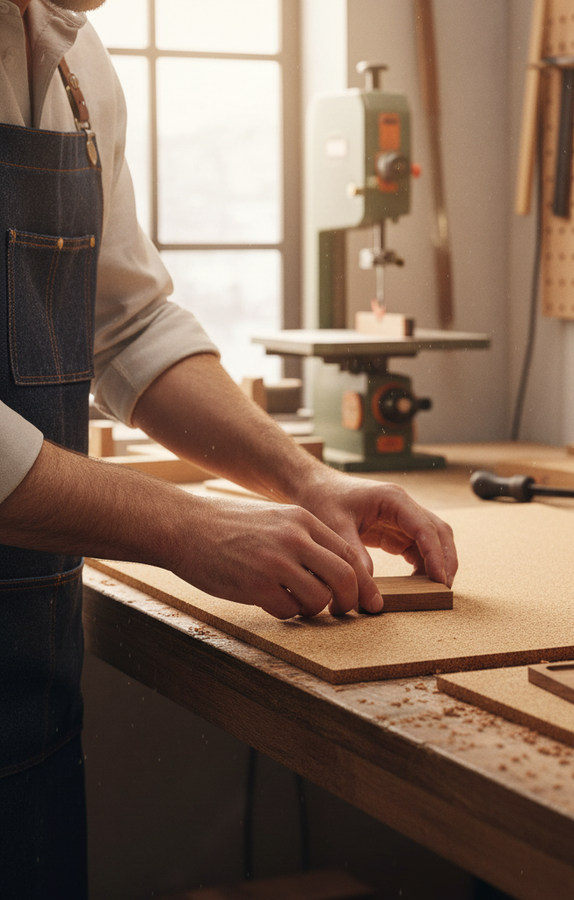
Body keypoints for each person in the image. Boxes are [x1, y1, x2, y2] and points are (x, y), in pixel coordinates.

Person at [0, 2, 458, 897]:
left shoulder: (73, 60)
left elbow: (127, 324)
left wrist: (305, 476)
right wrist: (186, 527)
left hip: (25, 690)